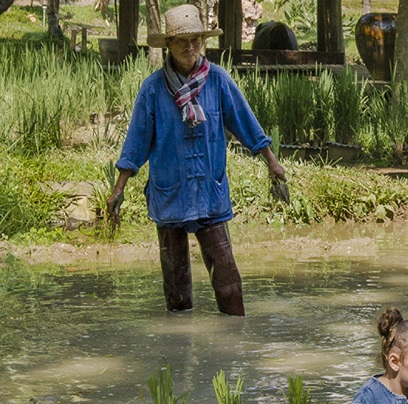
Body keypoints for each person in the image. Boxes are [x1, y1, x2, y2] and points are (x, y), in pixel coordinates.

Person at [106, 4, 286, 316]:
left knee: (227, 276)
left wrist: (271, 161)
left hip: (208, 190)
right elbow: (136, 142)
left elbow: (244, 122)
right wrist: (118, 188)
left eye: (196, 40)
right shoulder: (152, 89)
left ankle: (233, 334)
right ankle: (178, 346)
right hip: (170, 192)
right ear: (168, 46)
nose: (190, 47)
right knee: (176, 284)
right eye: (181, 41)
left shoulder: (217, 80)